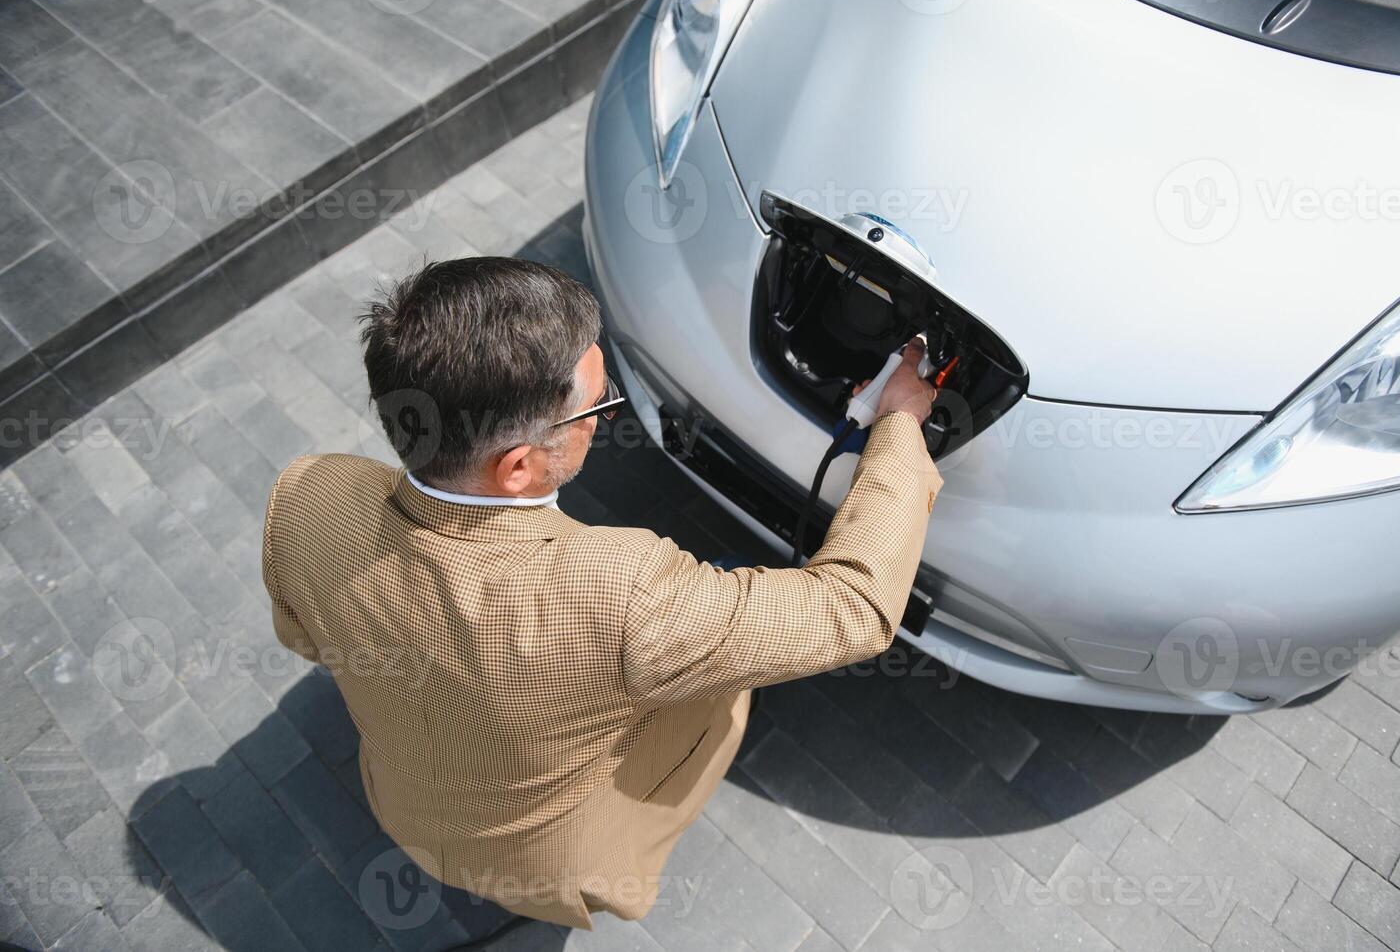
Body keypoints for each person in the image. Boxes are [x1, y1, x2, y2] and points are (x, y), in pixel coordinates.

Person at [260, 256, 943, 929]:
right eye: (598, 405)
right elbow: (853, 607)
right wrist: (900, 425)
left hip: (403, 806)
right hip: (550, 865)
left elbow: (306, 637)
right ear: (519, 467)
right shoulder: (621, 593)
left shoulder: (310, 492)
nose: (604, 416)